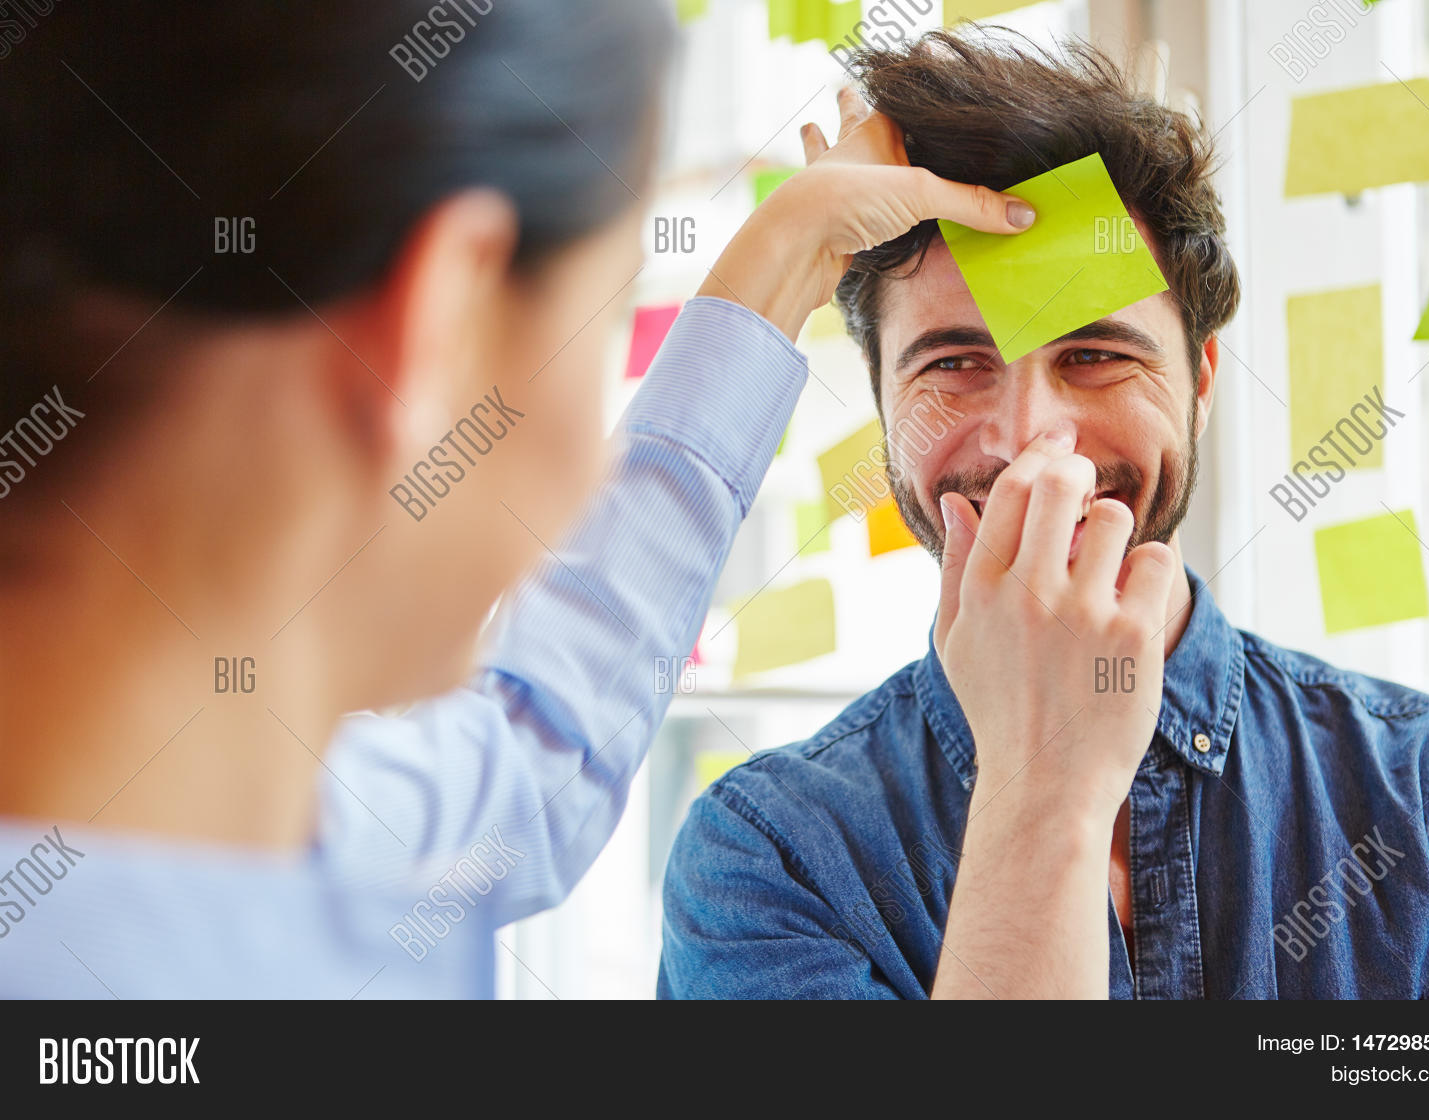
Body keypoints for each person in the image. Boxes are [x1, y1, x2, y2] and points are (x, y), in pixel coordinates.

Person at [0, 4, 1034, 997]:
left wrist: (789, 250)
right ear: (440, 324)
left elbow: (542, 751)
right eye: (601, 323)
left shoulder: (287, 820)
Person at [658, 29, 1429, 999]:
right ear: (885, 402)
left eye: (1095, 356)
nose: (1032, 444)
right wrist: (1043, 779)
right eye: (955, 363)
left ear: (1201, 382)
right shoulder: (769, 857)